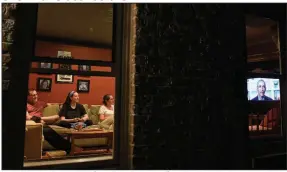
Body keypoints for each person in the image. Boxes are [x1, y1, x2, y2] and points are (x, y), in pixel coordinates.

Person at [26, 89, 82, 155]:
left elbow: (51, 105)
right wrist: (38, 120)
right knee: (47, 131)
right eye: (33, 95)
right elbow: (28, 117)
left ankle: (69, 149)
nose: (36, 96)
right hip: (33, 124)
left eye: (36, 94)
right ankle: (70, 148)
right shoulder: (26, 105)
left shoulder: (40, 103)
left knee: (56, 117)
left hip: (43, 122)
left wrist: (61, 106)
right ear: (28, 96)